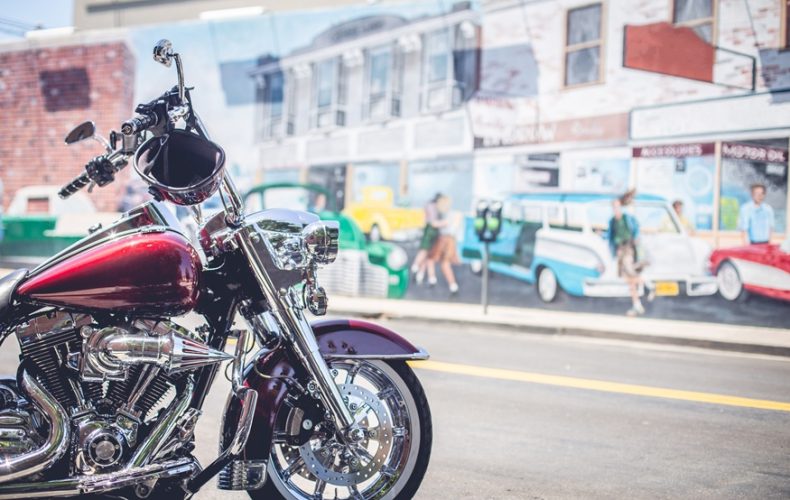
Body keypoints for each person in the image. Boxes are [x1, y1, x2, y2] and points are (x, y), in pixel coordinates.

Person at [608, 190, 649, 316]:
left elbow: (635, 230)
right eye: (613, 207)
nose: (615, 209)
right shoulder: (612, 221)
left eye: (617, 206)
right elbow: (610, 236)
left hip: (628, 250)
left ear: (620, 206)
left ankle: (648, 286)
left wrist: (635, 240)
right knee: (628, 279)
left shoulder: (627, 218)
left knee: (630, 276)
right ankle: (637, 303)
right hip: (620, 251)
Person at [426, 194, 461, 295]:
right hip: (450, 239)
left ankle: (432, 279)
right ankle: (453, 285)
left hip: (444, 239)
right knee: (444, 263)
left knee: (431, 259)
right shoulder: (453, 214)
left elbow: (439, 224)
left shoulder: (449, 215)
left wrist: (433, 223)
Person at [411, 193, 441, 284]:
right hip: (430, 231)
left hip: (432, 232)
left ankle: (421, 275)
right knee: (424, 251)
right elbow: (433, 222)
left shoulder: (432, 206)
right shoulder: (432, 206)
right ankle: (415, 268)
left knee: (428, 255)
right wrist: (446, 223)